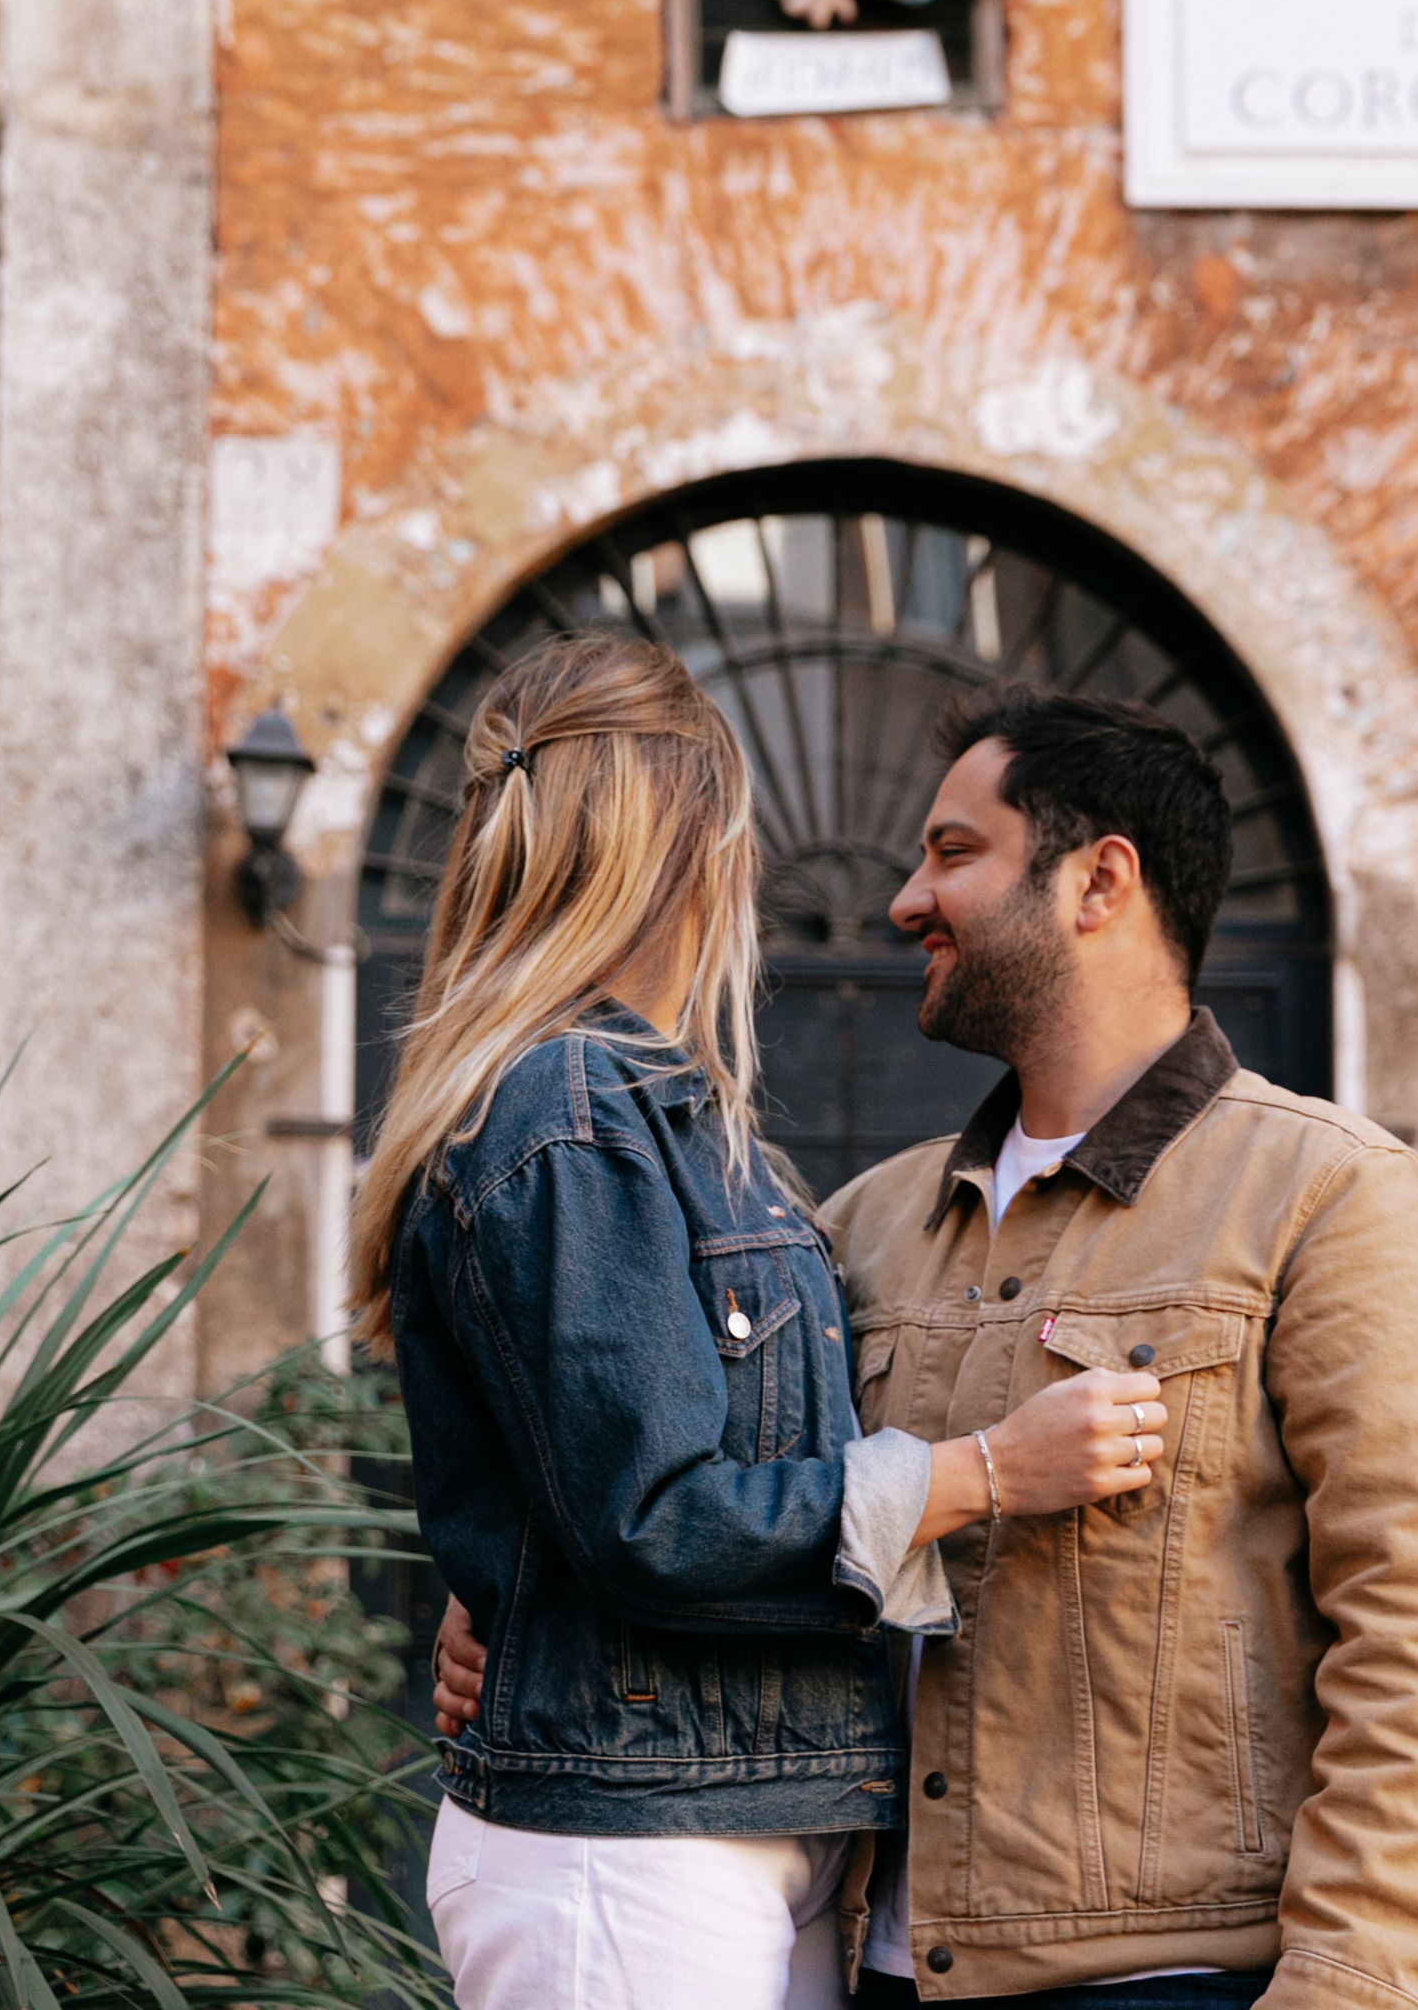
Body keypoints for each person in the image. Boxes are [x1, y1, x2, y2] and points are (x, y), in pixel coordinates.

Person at [437, 680, 1418, 2009]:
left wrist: (1348, 1986)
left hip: (1168, 1981)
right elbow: (676, 1482)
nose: (905, 902)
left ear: (1099, 882)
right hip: (872, 1963)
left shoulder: (1333, 1199)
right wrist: (518, 1592)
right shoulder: (857, 1226)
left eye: (954, 854)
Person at [352, 634, 1172, 2010]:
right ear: (691, 841)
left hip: (733, 1816)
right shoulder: (572, 1108)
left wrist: (516, 1585)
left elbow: (600, 1463)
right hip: (631, 1837)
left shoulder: (664, 1118)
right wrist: (988, 1474)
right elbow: (654, 1514)